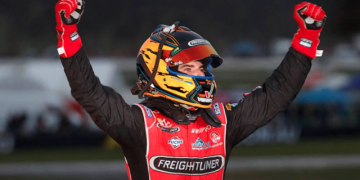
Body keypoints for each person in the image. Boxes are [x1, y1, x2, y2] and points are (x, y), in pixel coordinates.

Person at [55, 0, 326, 179]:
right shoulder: (140, 125)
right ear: (159, 71)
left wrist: (307, 38)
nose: (202, 75)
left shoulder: (223, 121)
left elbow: (276, 95)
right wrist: (68, 34)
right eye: (190, 68)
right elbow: (88, 92)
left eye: (204, 68)